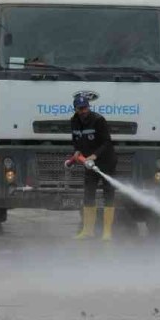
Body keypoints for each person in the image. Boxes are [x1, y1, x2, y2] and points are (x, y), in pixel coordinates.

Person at [66, 94, 119, 240]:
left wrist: (94, 156)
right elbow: (76, 138)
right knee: (88, 194)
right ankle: (88, 230)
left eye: (85, 108)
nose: (83, 111)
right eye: (80, 109)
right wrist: (77, 151)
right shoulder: (74, 121)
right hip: (89, 164)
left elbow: (107, 142)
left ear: (89, 107)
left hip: (106, 161)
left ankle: (107, 232)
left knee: (108, 194)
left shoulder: (98, 120)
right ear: (75, 109)